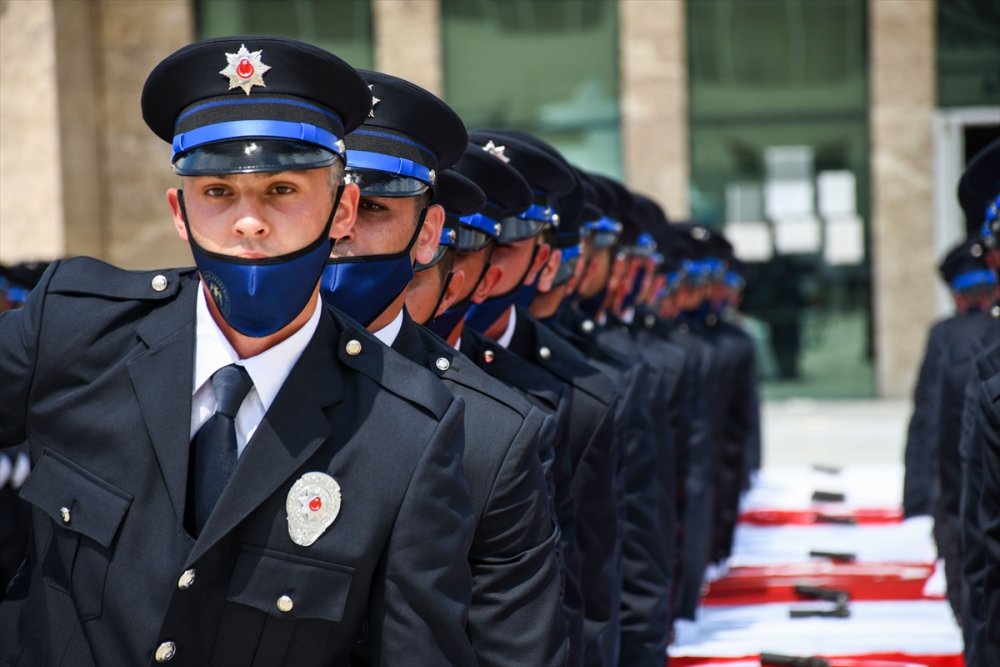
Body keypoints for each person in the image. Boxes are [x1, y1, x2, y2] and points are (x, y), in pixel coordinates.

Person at [0, 37, 478, 666]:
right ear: (180, 210)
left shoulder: (403, 429)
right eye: (218, 192)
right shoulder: (72, 330)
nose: (249, 222)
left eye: (282, 190)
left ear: (343, 210)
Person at [323, 70, 567, 666]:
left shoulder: (485, 430)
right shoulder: (196, 376)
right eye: (326, 203)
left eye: (374, 208)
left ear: (428, 237)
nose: (341, 231)